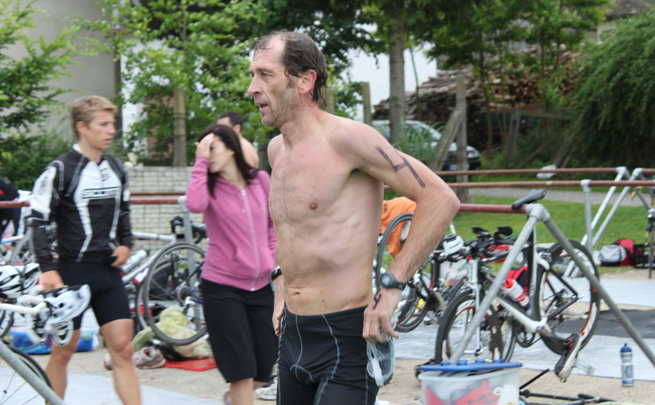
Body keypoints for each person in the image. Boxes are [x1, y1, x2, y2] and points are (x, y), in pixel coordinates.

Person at [247, 31, 460, 404]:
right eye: (252, 75)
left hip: (347, 338)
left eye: (265, 75)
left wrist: (392, 287)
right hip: (293, 336)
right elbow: (290, 225)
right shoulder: (277, 149)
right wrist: (280, 277)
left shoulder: (349, 140)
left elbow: (440, 198)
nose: (252, 88)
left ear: (305, 81)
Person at [29, 95, 141, 405]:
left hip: (107, 271)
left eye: (112, 124)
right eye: (103, 124)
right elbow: (37, 219)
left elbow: (124, 210)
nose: (111, 130)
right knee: (63, 351)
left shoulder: (116, 167)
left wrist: (126, 243)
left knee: (124, 350)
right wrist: (47, 268)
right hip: (72, 273)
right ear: (82, 127)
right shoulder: (60, 169)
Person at [185, 123, 278, 405]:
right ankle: (238, 396)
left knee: (264, 367)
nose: (208, 155)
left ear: (231, 148)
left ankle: (232, 399)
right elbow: (194, 204)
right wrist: (200, 163)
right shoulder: (208, 186)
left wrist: (271, 258)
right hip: (222, 287)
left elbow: (273, 223)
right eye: (203, 151)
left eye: (212, 148)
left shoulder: (260, 180)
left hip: (261, 286)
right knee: (241, 371)